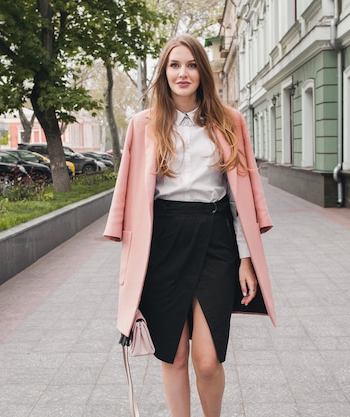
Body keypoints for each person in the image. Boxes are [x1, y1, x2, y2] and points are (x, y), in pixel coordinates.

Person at [103, 34, 276, 417]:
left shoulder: (229, 121)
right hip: (162, 242)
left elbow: (238, 197)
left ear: (203, 71)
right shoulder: (143, 124)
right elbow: (128, 193)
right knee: (174, 353)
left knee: (208, 360)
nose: (183, 73)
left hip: (216, 240)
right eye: (175, 65)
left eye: (192, 64)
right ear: (164, 73)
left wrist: (245, 258)